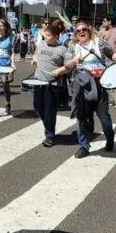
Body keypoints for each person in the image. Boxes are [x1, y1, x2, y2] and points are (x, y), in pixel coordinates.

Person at [62, 21, 116, 158]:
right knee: (82, 117)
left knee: (103, 116)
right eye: (78, 30)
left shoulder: (99, 43)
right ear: (76, 34)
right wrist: (75, 61)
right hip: (82, 84)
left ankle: (109, 138)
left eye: (84, 29)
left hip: (99, 83)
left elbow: (111, 53)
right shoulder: (73, 47)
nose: (81, 32)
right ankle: (84, 146)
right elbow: (66, 64)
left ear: (89, 30)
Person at [31, 19, 71, 147]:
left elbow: (69, 66)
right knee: (37, 106)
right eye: (45, 35)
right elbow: (36, 54)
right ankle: (48, 125)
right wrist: (34, 58)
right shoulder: (41, 44)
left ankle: (50, 135)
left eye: (48, 35)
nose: (46, 37)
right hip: (38, 81)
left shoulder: (63, 49)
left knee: (50, 110)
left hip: (53, 84)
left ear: (56, 36)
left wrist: (60, 70)